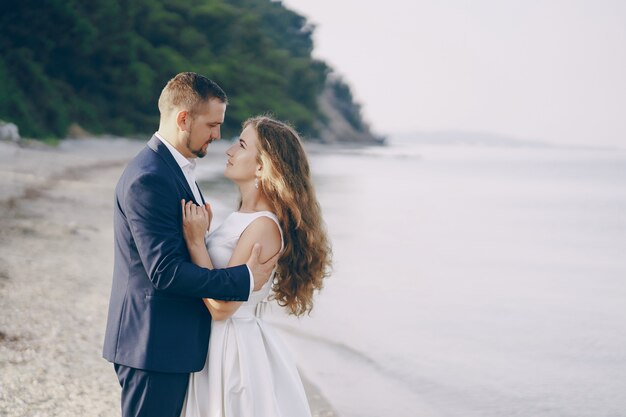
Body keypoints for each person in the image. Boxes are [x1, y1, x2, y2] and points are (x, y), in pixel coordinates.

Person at [102, 73, 280, 417]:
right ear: (184, 118)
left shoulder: (174, 168)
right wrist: (241, 279)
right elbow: (164, 271)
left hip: (170, 344)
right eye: (212, 125)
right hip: (152, 345)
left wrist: (200, 238)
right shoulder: (150, 176)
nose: (217, 135)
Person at [178, 116, 332, 417]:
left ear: (262, 166)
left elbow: (222, 306)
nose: (229, 150)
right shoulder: (243, 215)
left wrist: (197, 242)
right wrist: (207, 238)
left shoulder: (263, 226)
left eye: (242, 144)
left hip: (232, 347)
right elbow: (221, 276)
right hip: (217, 339)